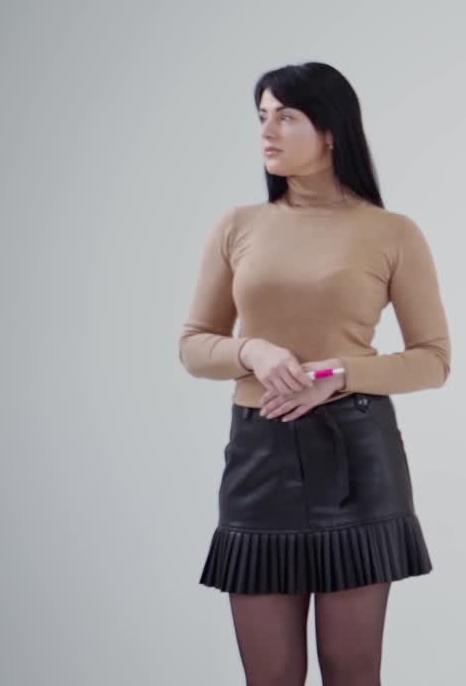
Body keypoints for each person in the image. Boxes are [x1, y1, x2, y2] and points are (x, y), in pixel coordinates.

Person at [179, 61, 449, 686]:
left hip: (357, 454)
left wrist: (338, 374)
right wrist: (253, 353)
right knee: (268, 678)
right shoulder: (237, 227)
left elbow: (433, 360)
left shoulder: (391, 232)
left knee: (352, 676)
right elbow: (195, 346)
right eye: (262, 117)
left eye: (286, 116)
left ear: (330, 132)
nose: (267, 131)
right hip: (258, 458)